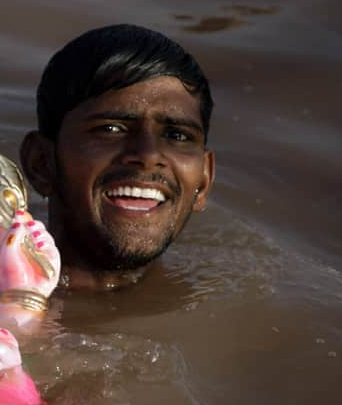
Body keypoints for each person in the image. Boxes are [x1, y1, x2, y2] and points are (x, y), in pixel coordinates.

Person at [19, 24, 216, 291]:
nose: (148, 155)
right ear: (41, 164)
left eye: (177, 135)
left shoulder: (236, 321)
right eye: (111, 129)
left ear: (203, 181)